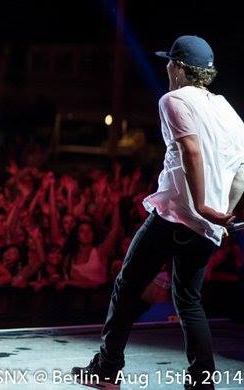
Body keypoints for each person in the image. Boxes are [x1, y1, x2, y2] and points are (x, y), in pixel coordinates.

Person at [73, 35, 244, 390]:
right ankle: (202, 381)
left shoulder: (173, 100)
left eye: (170, 62)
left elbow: (191, 151)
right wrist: (222, 215)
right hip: (207, 225)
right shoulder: (228, 110)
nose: (167, 67)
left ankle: (107, 370)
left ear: (179, 68)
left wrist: (201, 206)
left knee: (128, 284)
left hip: (176, 214)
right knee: (188, 298)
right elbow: (242, 170)